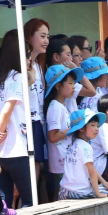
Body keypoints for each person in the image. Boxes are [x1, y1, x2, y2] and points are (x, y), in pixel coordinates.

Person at [0, 31, 33, 208]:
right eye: (28, 55)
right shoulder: (16, 77)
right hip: (15, 148)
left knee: (3, 203)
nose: (30, 59)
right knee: (30, 200)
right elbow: (7, 111)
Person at [44, 64, 84, 199]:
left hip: (66, 158)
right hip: (59, 161)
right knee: (60, 193)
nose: (74, 87)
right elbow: (53, 136)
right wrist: (73, 128)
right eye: (70, 83)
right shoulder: (55, 107)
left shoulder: (62, 105)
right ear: (58, 86)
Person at [59, 109, 108, 200]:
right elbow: (91, 171)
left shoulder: (73, 144)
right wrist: (97, 193)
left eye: (97, 126)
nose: (96, 129)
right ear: (82, 128)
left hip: (64, 190)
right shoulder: (86, 146)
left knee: (103, 187)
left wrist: (103, 181)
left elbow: (91, 168)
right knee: (107, 191)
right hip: (78, 192)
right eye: (92, 125)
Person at [24, 18, 50, 185]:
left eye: (48, 36)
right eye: (42, 36)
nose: (46, 41)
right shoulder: (21, 66)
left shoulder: (39, 66)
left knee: (39, 166)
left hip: (39, 122)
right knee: (32, 166)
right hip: (26, 122)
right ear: (29, 36)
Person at [45, 39, 96, 113]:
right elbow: (91, 91)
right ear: (56, 57)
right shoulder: (61, 79)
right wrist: (75, 68)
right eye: (68, 55)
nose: (71, 59)